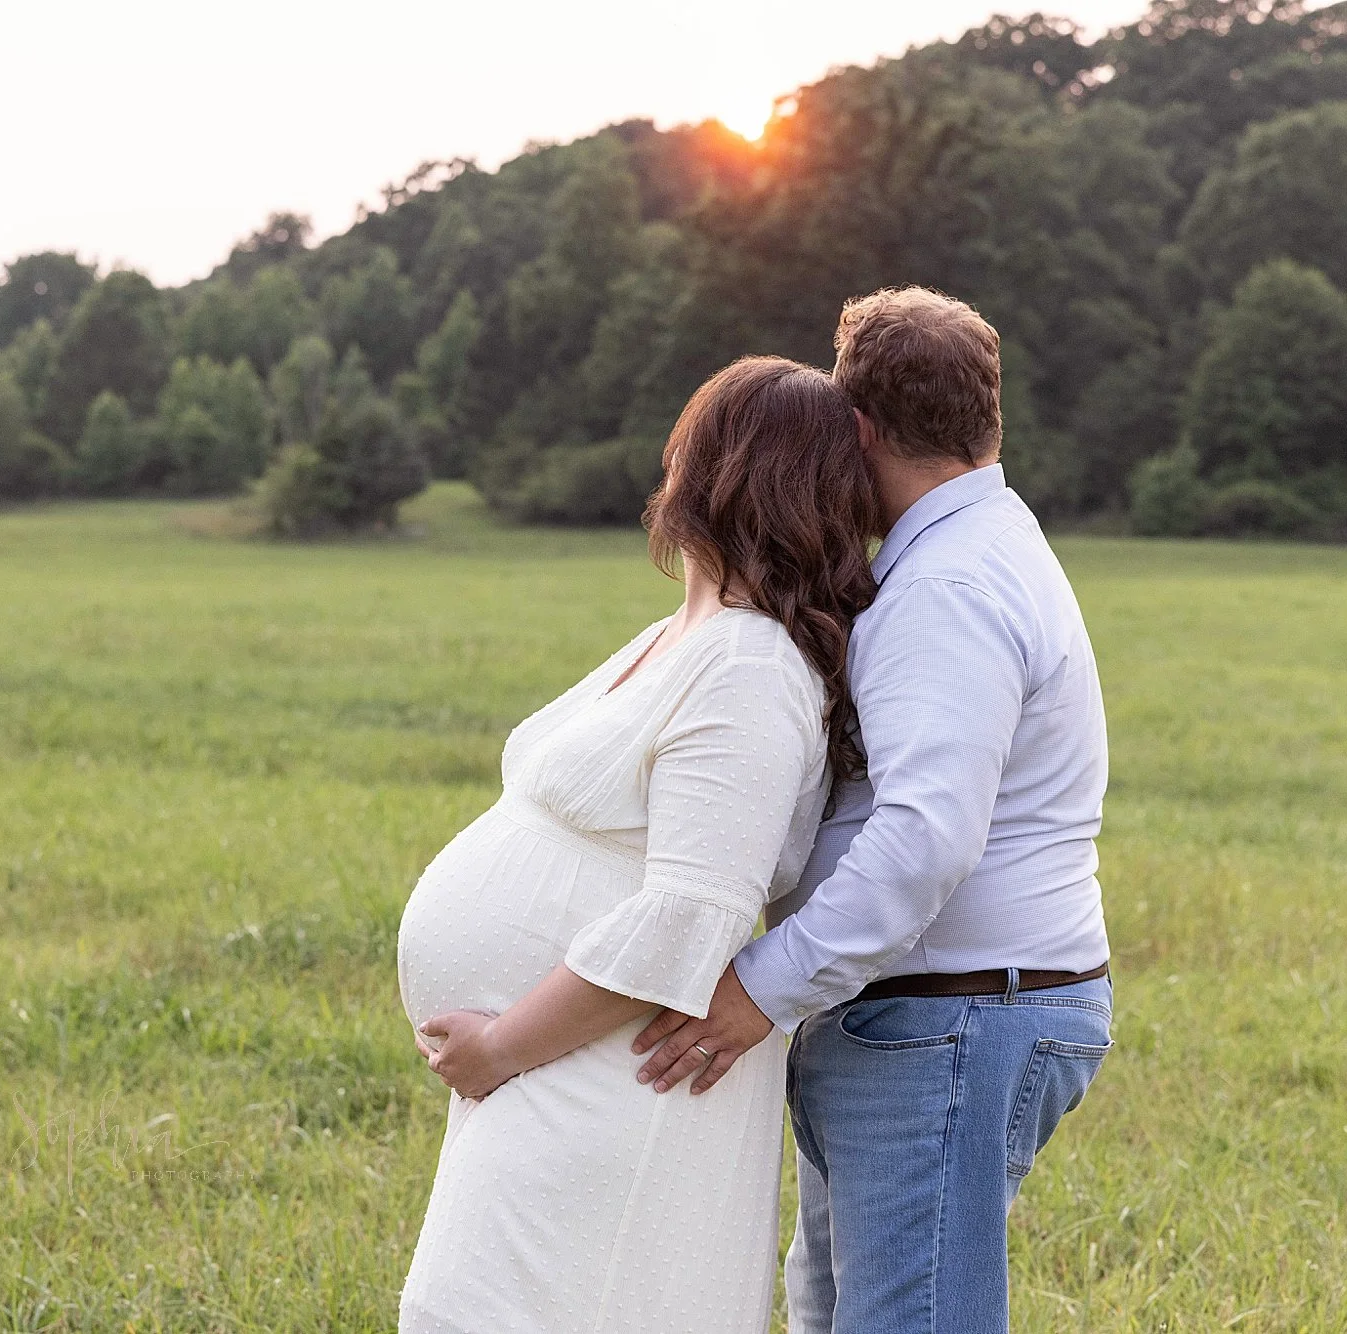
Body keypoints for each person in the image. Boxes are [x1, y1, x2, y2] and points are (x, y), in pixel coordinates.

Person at [632, 287, 1114, 1333]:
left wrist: (758, 987)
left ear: (853, 430)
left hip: (953, 1014)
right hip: (936, 1009)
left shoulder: (946, 584)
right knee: (838, 1310)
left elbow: (924, 834)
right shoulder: (975, 546)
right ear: (986, 416)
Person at [395, 357, 879, 1334]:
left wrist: (498, 1043)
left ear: (717, 470)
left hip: (605, 1070)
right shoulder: (692, 632)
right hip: (568, 1062)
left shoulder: (748, 665)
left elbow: (690, 911)